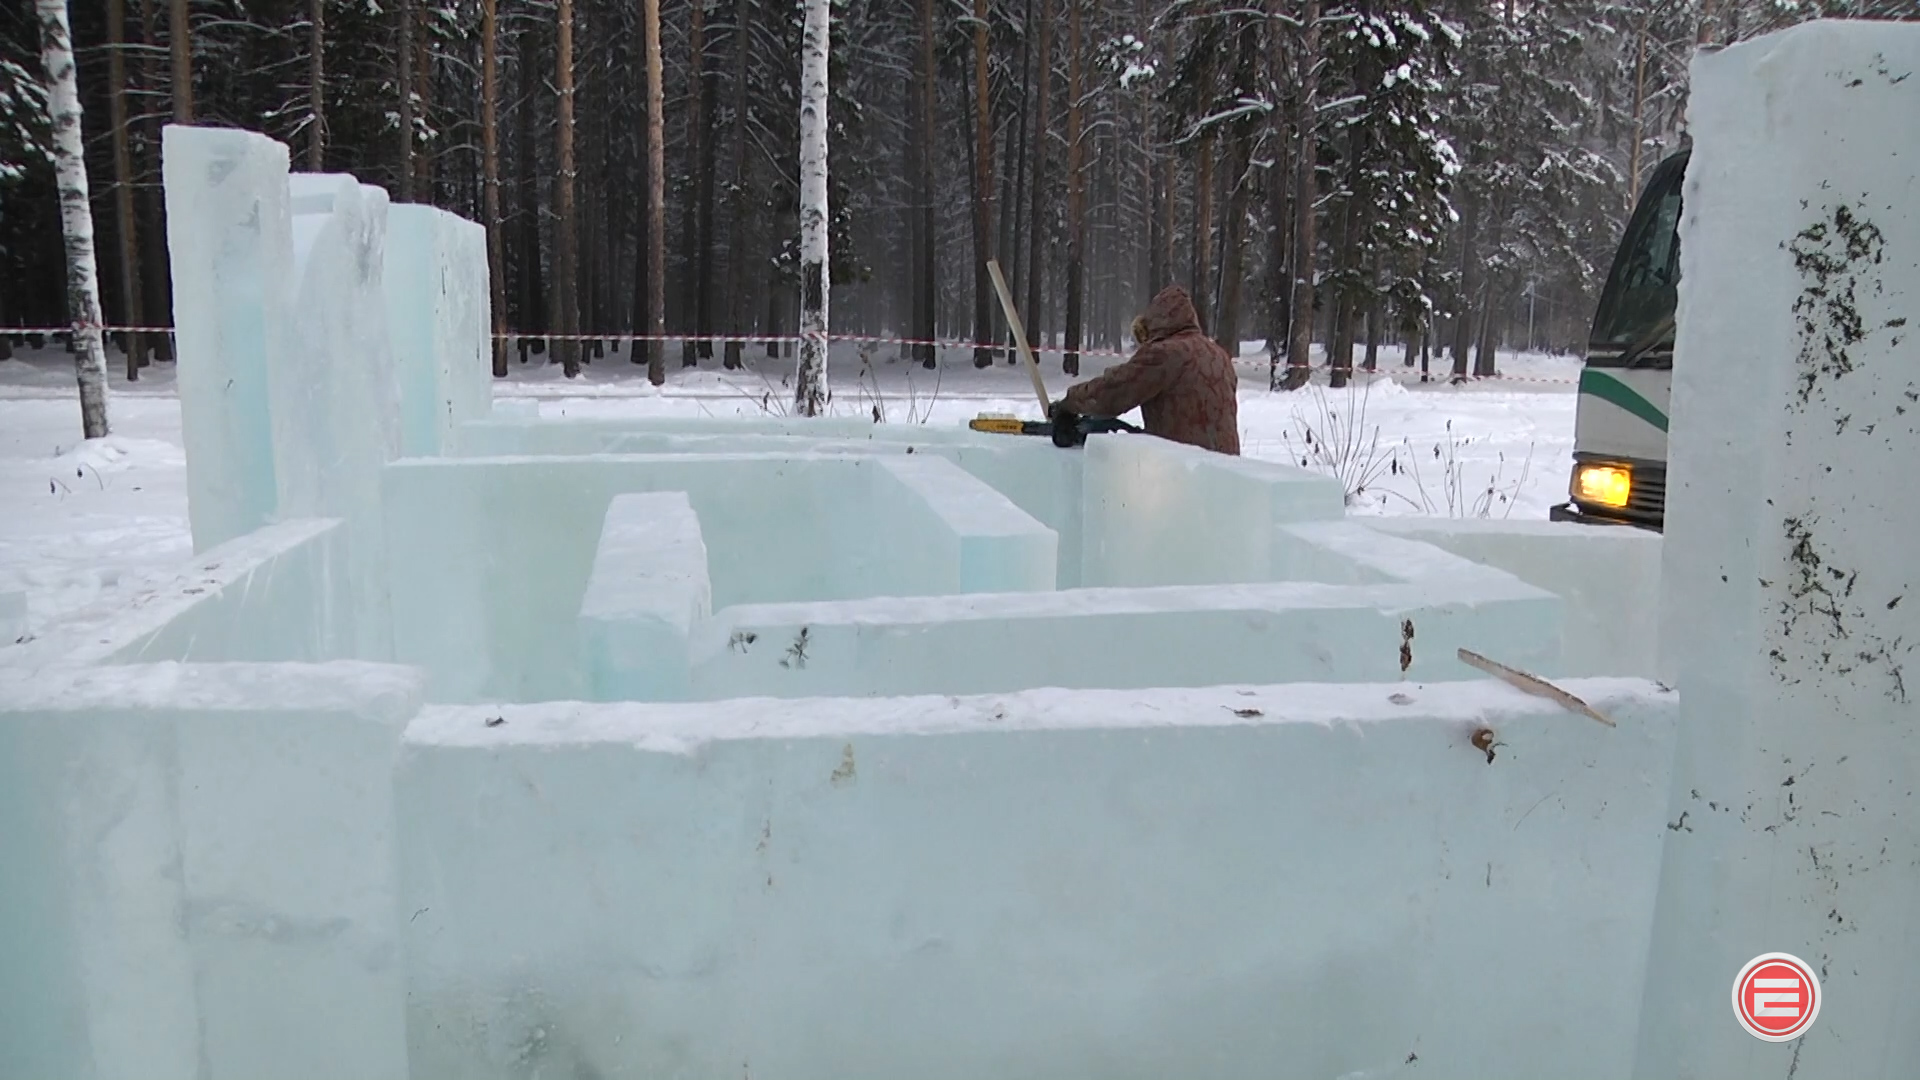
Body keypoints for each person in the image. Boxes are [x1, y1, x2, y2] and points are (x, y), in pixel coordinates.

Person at [1048, 285, 1241, 456]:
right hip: (1226, 472)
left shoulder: (1166, 354)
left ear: (1155, 321)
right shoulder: (1218, 355)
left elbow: (1112, 392)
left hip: (1184, 472)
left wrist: (1068, 404)